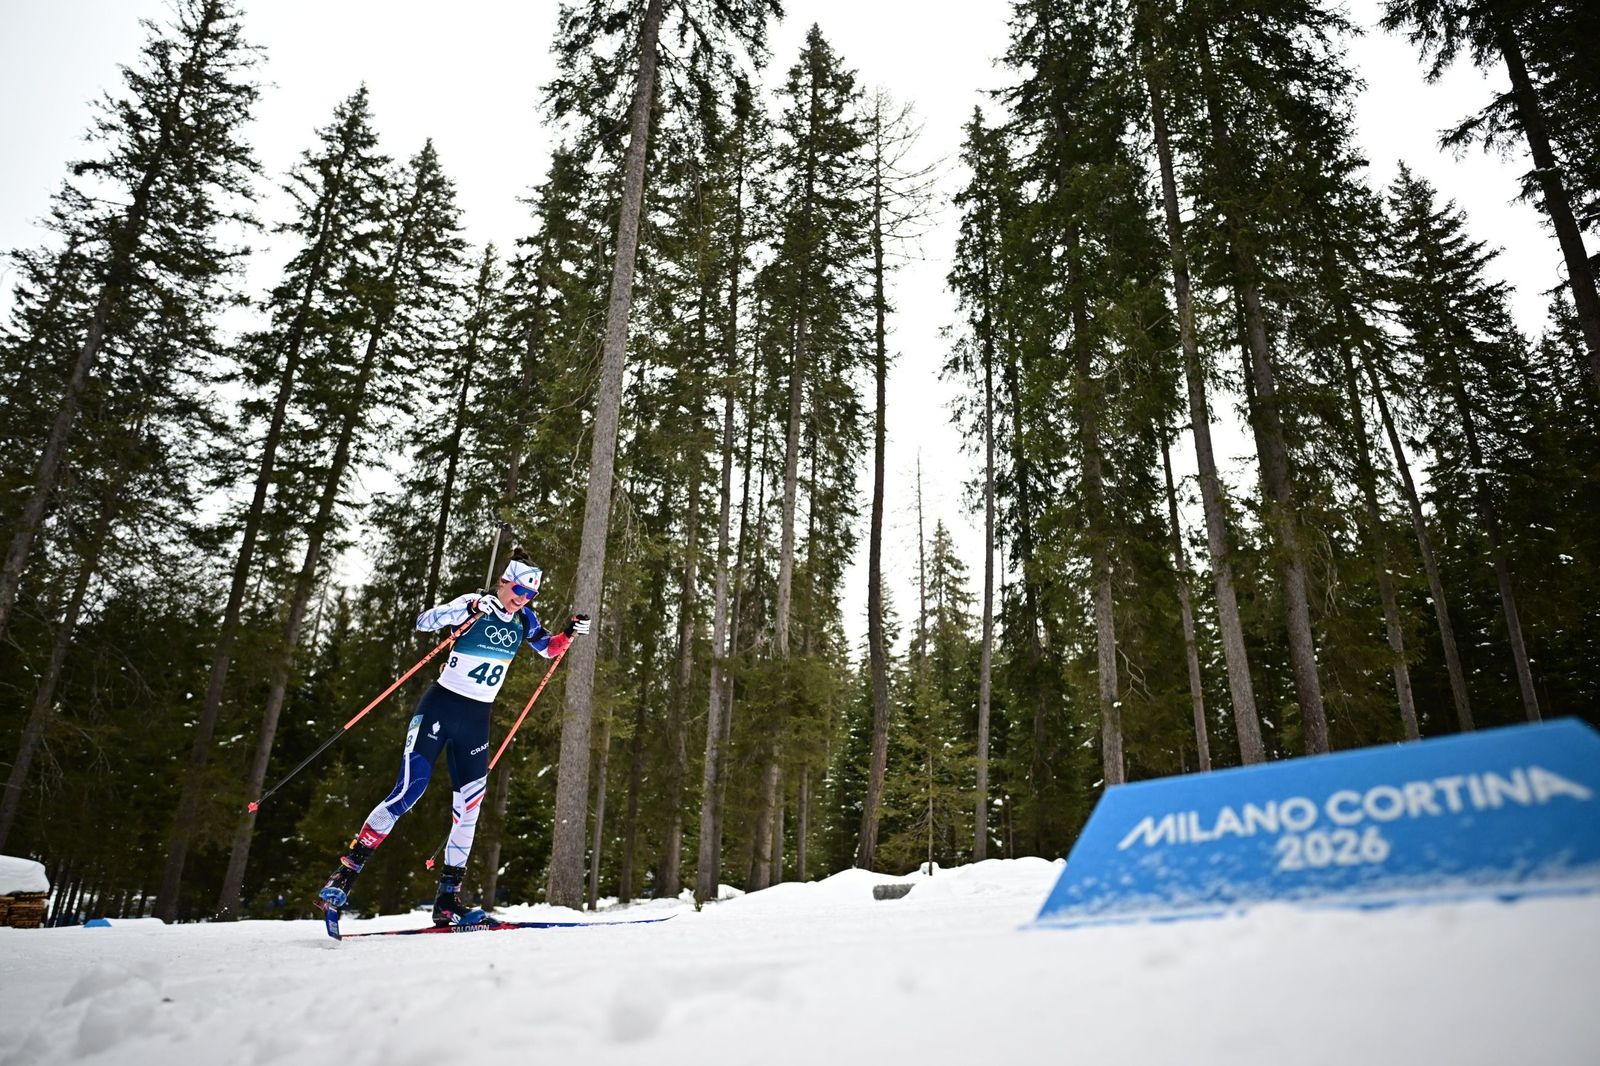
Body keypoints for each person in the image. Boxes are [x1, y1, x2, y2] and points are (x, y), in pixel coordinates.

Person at [317, 550, 590, 926]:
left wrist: (569, 633)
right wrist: (471, 607)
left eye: (530, 594)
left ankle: (448, 900)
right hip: (440, 709)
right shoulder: (475, 603)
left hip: (477, 721)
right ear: (503, 582)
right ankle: (343, 877)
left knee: (469, 810)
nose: (522, 598)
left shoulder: (525, 618)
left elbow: (547, 648)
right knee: (409, 791)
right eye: (517, 589)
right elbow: (424, 621)